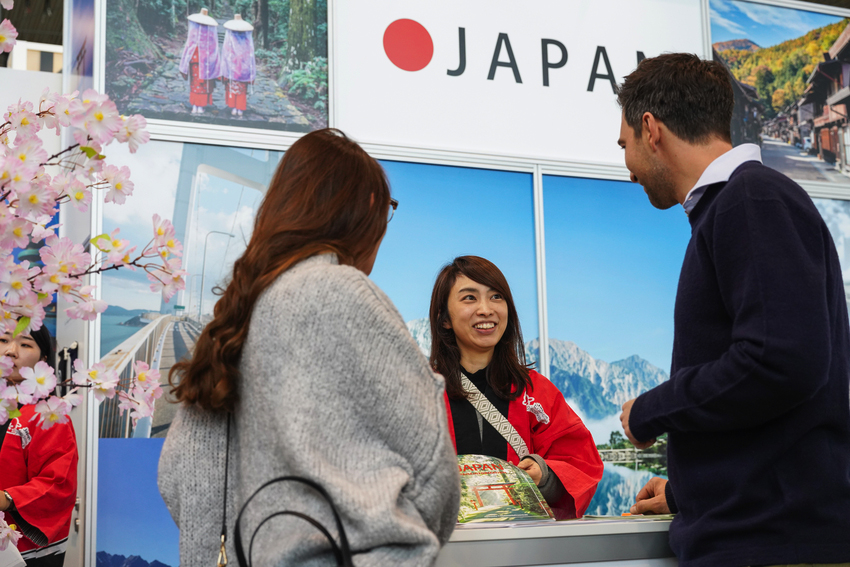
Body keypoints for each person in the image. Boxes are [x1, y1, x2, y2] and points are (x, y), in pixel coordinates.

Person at [158, 128, 461, 566]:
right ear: (370, 207)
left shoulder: (234, 317)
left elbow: (175, 477)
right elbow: (434, 468)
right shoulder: (344, 292)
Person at [616, 53, 850, 566]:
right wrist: (686, 494)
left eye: (624, 144)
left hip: (771, 544)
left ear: (650, 129)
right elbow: (774, 409)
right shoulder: (742, 204)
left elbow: (779, 361)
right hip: (764, 535)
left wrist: (653, 410)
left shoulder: (752, 200)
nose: (627, 165)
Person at [429, 256, 602, 520]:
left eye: (496, 297)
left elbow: (582, 464)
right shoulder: (419, 390)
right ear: (444, 318)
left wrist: (543, 475)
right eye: (469, 298)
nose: (486, 309)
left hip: (520, 545)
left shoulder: (536, 392)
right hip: (443, 546)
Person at [0, 325, 78, 567]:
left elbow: (57, 483)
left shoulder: (49, 415)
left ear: (43, 360)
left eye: (25, 344)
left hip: (20, 550)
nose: (11, 351)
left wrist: (5, 499)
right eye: (3, 340)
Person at [178, 8, 220, 115]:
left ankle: (196, 105)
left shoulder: (194, 29)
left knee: (196, 82)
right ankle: (199, 106)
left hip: (194, 59)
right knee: (201, 83)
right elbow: (213, 47)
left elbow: (189, 44)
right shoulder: (210, 30)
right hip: (204, 60)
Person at [220, 14, 256, 118]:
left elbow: (226, 54)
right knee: (240, 89)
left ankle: (236, 107)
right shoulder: (246, 40)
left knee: (235, 88)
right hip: (241, 68)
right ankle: (238, 108)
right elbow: (249, 55)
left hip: (234, 67)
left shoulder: (230, 39)